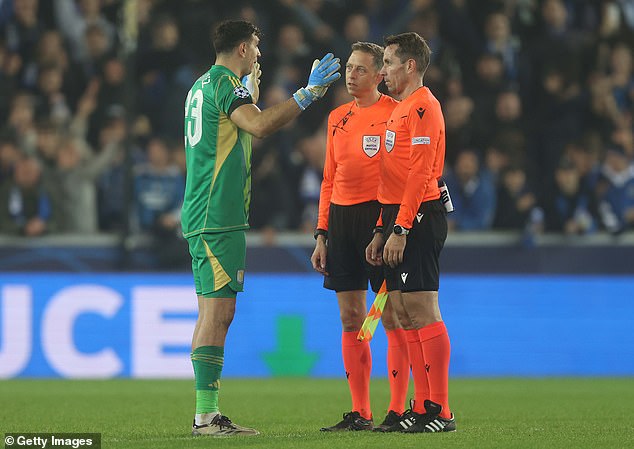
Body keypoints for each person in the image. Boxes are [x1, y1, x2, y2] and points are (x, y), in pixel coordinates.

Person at [181, 20, 340, 437]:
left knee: (209, 313)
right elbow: (260, 125)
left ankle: (205, 413)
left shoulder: (201, 86)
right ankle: (207, 416)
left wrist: (247, 93)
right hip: (217, 216)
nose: (257, 54)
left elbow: (231, 129)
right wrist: (308, 94)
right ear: (239, 50)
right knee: (219, 313)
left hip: (206, 213)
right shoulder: (224, 85)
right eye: (253, 46)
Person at [310, 42, 408, 432]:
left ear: (379, 76)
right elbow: (329, 179)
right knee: (352, 318)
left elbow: (397, 178)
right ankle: (360, 412)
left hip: (377, 219)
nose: (351, 75)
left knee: (394, 318)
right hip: (341, 221)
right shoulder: (336, 117)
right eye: (349, 68)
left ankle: (399, 409)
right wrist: (321, 233)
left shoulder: (394, 115)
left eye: (360, 70)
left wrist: (385, 228)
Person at [366, 32, 456, 433]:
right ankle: (420, 406)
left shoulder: (423, 107)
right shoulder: (400, 109)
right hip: (398, 218)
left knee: (422, 309)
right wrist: (382, 229)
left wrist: (401, 228)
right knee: (401, 311)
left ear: (410, 66)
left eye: (387, 63)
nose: (382, 71)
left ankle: (440, 410)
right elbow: (392, 178)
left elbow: (420, 174)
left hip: (419, 216)